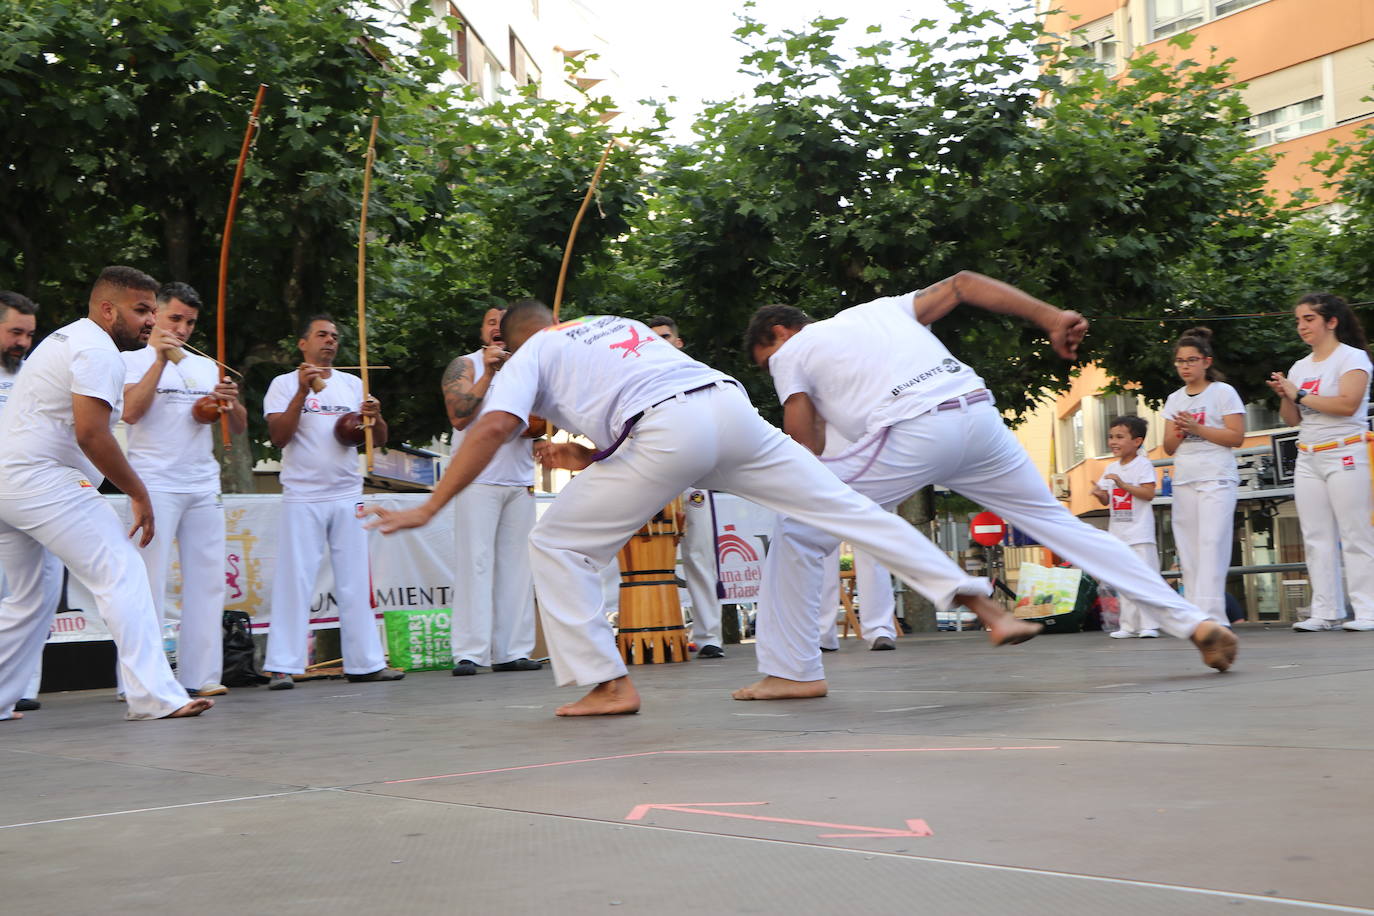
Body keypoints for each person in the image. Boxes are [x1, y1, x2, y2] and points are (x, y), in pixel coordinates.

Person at [368, 301, 1038, 717]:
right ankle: (981, 604)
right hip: (727, 407)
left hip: (669, 430)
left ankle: (606, 683)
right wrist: (590, 459)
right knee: (847, 510)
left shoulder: (531, 352)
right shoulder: (617, 327)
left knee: (557, 545)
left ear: (514, 342)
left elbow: (488, 427)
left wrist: (432, 504)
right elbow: (642, 408)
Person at [744, 271, 1237, 697]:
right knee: (1060, 525)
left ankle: (793, 672)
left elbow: (803, 442)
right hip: (975, 412)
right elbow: (962, 285)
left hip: (910, 425)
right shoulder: (878, 310)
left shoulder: (793, 349)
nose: (772, 370)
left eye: (765, 361)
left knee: (803, 522)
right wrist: (1049, 316)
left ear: (779, 331)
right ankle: (1195, 623)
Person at [0, 266, 212, 721]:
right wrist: (140, 493)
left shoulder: (66, 337)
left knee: (29, 600)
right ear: (107, 308)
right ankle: (156, 696)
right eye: (141, 311)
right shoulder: (97, 350)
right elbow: (92, 434)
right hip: (43, 479)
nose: (151, 322)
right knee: (122, 570)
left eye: (154, 311)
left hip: (11, 482)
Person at [262, 315, 403, 689]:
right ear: (303, 344)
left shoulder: (353, 384)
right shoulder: (282, 384)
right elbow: (278, 436)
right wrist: (301, 393)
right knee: (295, 579)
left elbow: (377, 438)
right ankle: (282, 664)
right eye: (321, 335)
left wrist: (375, 416)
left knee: (356, 579)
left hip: (346, 493)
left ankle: (366, 663)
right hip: (303, 495)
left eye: (335, 336)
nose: (330, 342)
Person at [121, 281, 247, 698]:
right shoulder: (131, 359)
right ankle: (140, 680)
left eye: (190, 322)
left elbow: (237, 425)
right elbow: (131, 413)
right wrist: (159, 359)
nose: (183, 328)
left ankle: (202, 675)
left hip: (201, 481)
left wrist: (230, 400)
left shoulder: (205, 366)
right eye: (175, 318)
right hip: (152, 481)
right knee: (147, 581)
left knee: (209, 580)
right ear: (155, 315)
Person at [439, 307, 542, 675]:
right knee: (475, 564)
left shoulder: (530, 365)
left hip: (518, 479)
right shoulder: (464, 365)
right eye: (490, 322)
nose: (497, 327)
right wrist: (490, 372)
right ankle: (470, 652)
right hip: (476, 479)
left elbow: (540, 424)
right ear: (482, 331)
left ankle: (512, 650)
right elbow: (459, 416)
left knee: (518, 569)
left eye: (504, 322)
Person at [1266, 293, 1374, 632]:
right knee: (1315, 535)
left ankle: (1367, 610)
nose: (1301, 326)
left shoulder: (1353, 358)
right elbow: (1292, 418)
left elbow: (1347, 404)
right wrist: (1286, 395)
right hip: (1308, 454)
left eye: (1309, 319)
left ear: (1331, 321)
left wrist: (1298, 393)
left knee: (1355, 533)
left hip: (1345, 451)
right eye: (1298, 320)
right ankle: (1325, 610)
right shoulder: (1301, 366)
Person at [647, 315, 726, 658]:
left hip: (695, 477)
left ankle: (709, 636)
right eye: (652, 339)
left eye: (665, 336)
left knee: (699, 555)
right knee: (647, 560)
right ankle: (651, 634)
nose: (660, 343)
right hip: (652, 476)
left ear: (678, 342)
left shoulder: (698, 374)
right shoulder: (638, 381)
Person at [0, 291, 64, 712]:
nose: (23, 342)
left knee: (41, 589)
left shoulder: (34, 376)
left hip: (32, 493)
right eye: (14, 332)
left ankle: (19, 687)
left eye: (29, 334)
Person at [1161, 328, 1246, 628]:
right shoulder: (1174, 399)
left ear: (1206, 362)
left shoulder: (1222, 392)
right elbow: (1168, 446)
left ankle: (1214, 615)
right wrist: (1181, 431)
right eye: (1180, 361)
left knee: (1212, 542)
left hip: (1216, 477)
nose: (1185, 366)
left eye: (1191, 360)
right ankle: (1196, 613)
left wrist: (1198, 429)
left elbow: (1236, 437)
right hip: (1185, 478)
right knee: (1188, 546)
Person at [1091, 416, 1162, 639]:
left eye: (1120, 437)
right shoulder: (1110, 467)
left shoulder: (1142, 464)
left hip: (1140, 534)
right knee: (1125, 582)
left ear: (1137, 441)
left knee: (1145, 578)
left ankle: (1149, 624)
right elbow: (1106, 500)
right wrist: (1100, 493)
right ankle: (1128, 625)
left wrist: (1123, 484)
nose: (1113, 441)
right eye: (1111, 437)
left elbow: (1148, 493)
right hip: (1119, 534)